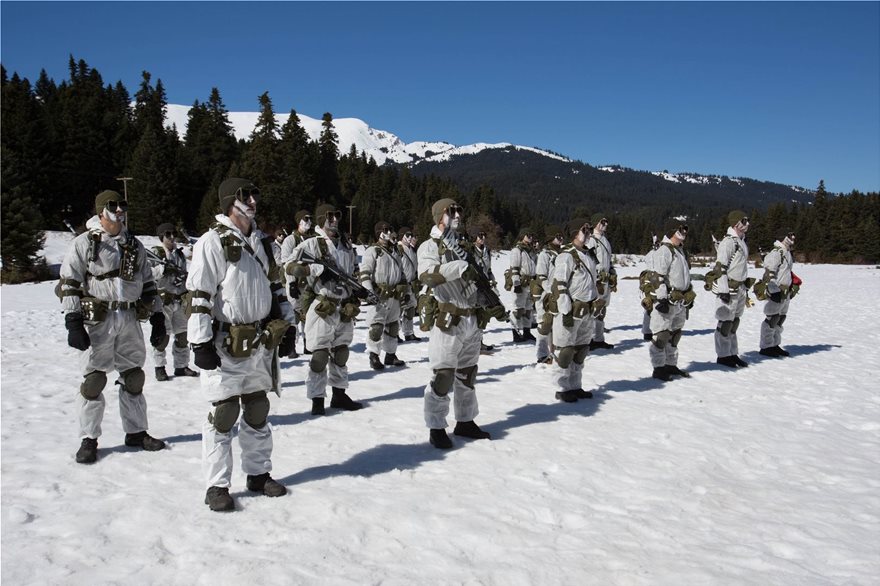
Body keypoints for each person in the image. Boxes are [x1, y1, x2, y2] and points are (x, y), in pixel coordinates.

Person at [186, 178, 296, 512]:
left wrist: (288, 326)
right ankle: (217, 484)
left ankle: (258, 473)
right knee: (224, 413)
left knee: (257, 409)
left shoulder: (262, 243)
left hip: (260, 344)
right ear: (228, 202)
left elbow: (278, 289)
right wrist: (200, 341)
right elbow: (200, 295)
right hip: (224, 344)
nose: (252, 200)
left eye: (254, 193)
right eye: (244, 195)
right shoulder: (212, 241)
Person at [59, 189, 167, 464]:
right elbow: (69, 281)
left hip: (129, 319)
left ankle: (136, 432)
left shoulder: (134, 244)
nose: (119, 210)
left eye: (122, 205)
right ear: (100, 211)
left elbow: (148, 284)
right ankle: (89, 438)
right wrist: (73, 321)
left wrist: (156, 318)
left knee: (133, 377)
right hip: (98, 321)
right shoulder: (85, 243)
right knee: (94, 380)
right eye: (113, 205)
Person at [418, 198, 492, 449]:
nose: (459, 214)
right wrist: (459, 268)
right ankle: (437, 426)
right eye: (452, 211)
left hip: (471, 317)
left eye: (460, 209)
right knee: (444, 375)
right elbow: (428, 276)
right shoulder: (429, 247)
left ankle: (465, 420)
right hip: (448, 318)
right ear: (440, 215)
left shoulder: (463, 246)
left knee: (467, 374)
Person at [284, 203, 364, 416]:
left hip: (344, 305)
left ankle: (339, 394)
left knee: (341, 353)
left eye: (337, 215)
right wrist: (314, 270)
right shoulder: (312, 244)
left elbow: (354, 271)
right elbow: (290, 265)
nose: (335, 220)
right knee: (319, 356)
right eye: (330, 216)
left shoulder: (346, 245)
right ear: (321, 219)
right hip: (323, 304)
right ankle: (317, 398)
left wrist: (359, 291)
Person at [548, 218, 600, 402]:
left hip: (586, 310)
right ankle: (562, 387)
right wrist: (565, 308)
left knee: (581, 350)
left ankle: (575, 385)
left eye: (589, 230)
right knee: (565, 351)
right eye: (583, 229)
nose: (587, 233)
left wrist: (597, 301)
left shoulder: (589, 255)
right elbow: (559, 283)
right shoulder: (566, 256)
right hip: (570, 311)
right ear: (574, 232)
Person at [646, 222, 695, 381]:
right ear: (671, 231)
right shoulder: (665, 250)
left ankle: (670, 364)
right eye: (679, 230)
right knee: (661, 335)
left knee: (674, 335)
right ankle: (659, 368)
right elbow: (657, 276)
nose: (683, 233)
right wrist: (661, 298)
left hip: (680, 300)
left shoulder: (679, 250)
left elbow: (684, 275)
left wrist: (689, 293)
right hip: (667, 299)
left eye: (685, 230)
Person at [149, 223, 198, 381]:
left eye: (173, 234)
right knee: (163, 336)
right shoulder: (156, 253)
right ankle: (160, 366)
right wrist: (162, 270)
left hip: (179, 298)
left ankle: (181, 366)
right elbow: (147, 274)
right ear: (161, 236)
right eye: (168, 234)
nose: (171, 237)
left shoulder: (179, 254)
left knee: (183, 335)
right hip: (163, 300)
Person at [359, 221, 407, 370]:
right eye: (386, 230)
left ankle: (391, 355)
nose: (389, 232)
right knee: (377, 326)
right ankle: (373, 355)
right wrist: (369, 292)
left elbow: (402, 273)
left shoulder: (395, 251)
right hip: (380, 294)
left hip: (394, 294)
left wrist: (406, 292)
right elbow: (365, 273)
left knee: (393, 326)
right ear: (379, 232)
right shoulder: (373, 251)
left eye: (390, 229)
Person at [712, 210, 752, 368]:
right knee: (725, 323)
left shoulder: (741, 241)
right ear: (735, 223)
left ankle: (732, 353)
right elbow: (720, 267)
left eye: (747, 220)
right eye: (744, 220)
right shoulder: (728, 242)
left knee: (734, 323)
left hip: (740, 288)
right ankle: (723, 356)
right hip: (729, 288)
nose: (747, 223)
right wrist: (723, 290)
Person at [757, 231, 798, 357]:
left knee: (780, 318)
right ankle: (766, 346)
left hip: (785, 291)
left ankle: (774, 344)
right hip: (777, 291)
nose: (793, 238)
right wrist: (774, 290)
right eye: (790, 235)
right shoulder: (776, 253)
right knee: (772, 318)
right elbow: (769, 274)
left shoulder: (787, 252)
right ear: (784, 237)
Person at [280, 210, 314, 358]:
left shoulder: (312, 240)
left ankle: (308, 345)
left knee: (308, 315)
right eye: (305, 219)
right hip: (294, 283)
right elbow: (286, 262)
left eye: (310, 219)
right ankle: (291, 346)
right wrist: (292, 282)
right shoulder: (290, 240)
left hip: (309, 283)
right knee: (293, 315)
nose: (308, 222)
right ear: (299, 221)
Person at [587, 214, 617, 350]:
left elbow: (608, 260)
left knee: (602, 310)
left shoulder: (605, 240)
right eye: (602, 222)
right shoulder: (591, 240)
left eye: (606, 222)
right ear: (595, 224)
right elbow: (589, 261)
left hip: (606, 281)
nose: (605, 224)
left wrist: (613, 273)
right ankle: (590, 339)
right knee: (594, 309)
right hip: (597, 281)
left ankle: (599, 339)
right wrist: (597, 276)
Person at [533, 227, 563, 364]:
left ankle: (554, 352)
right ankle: (542, 354)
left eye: (562, 236)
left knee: (557, 324)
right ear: (551, 238)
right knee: (545, 324)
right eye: (558, 236)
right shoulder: (544, 255)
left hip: (560, 294)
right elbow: (540, 276)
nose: (561, 238)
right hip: (545, 295)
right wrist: (550, 289)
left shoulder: (563, 255)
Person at [506, 230, 537, 343]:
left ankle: (527, 332)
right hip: (521, 283)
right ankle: (516, 333)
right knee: (518, 309)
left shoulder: (531, 250)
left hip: (531, 283)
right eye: (528, 235)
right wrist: (516, 283)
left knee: (528, 309)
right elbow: (514, 268)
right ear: (522, 236)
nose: (531, 237)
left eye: (532, 235)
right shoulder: (517, 250)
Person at [471, 229, 497, 354]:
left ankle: (479, 342)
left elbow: (489, 268)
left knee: (483, 314)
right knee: (473, 315)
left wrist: (492, 280)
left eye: (484, 235)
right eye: (479, 235)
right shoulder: (470, 250)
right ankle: (473, 344)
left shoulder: (487, 250)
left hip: (485, 285)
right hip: (474, 285)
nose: (482, 238)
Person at [396, 226, 422, 342]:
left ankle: (408, 332)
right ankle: (394, 333)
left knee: (411, 307)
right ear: (402, 236)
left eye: (411, 235)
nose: (410, 237)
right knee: (398, 310)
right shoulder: (398, 249)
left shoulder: (411, 249)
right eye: (407, 235)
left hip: (410, 283)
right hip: (401, 284)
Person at [641, 235, 661, 341]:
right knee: (650, 308)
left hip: (650, 283)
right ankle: (649, 331)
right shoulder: (653, 255)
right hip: (651, 283)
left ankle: (649, 331)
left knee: (650, 308)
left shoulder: (651, 254)